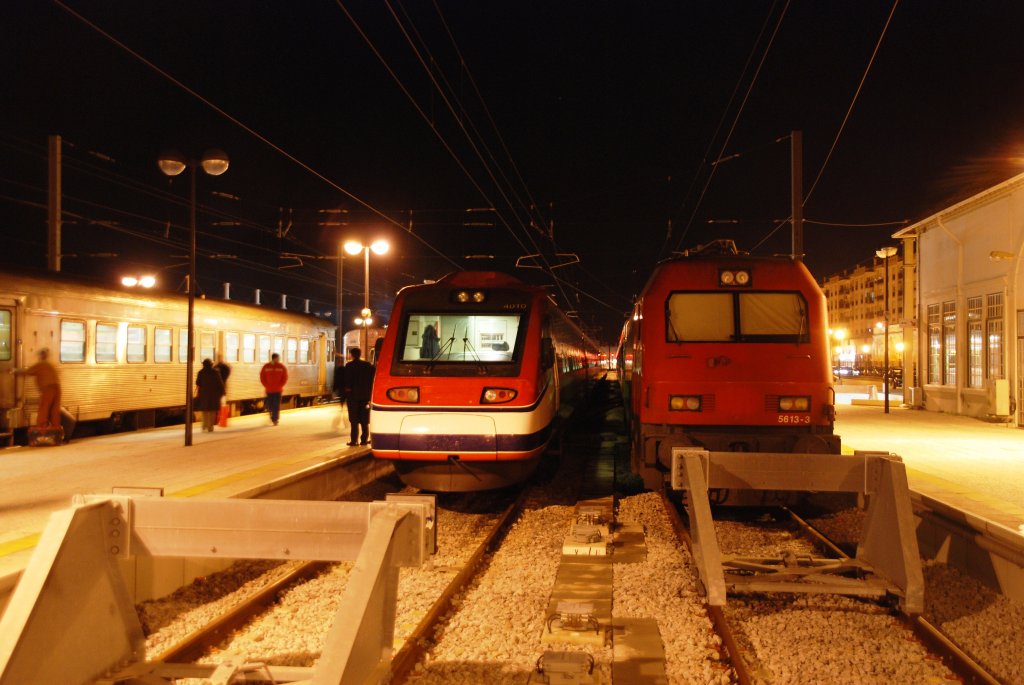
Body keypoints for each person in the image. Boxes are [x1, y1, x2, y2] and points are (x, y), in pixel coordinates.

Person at [11, 348, 61, 431]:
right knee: (54, 410)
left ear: (40, 356)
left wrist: (15, 370)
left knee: (44, 408)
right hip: (57, 388)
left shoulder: (40, 365)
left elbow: (27, 371)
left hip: (48, 389)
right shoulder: (50, 365)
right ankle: (56, 429)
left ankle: (42, 429)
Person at [340, 347, 374, 446]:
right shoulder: (368, 365)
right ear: (360, 354)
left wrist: (347, 391)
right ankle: (364, 440)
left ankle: (354, 440)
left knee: (354, 420)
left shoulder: (349, 366)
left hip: (353, 397)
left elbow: (347, 381)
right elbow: (372, 379)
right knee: (364, 420)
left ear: (352, 355)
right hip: (365, 397)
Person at [195, 358, 225, 433]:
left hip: (203, 394)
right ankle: (210, 427)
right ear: (211, 365)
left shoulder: (201, 372)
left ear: (203, 365)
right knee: (212, 411)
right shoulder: (215, 372)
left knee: (204, 411)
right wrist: (223, 392)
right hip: (214, 395)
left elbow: (197, 382)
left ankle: (204, 425)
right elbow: (220, 383)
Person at [260, 352, 288, 425]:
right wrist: (266, 385)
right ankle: (272, 416)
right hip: (269, 390)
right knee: (270, 405)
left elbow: (285, 377)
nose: (279, 360)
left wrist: (280, 385)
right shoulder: (266, 366)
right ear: (274, 358)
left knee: (276, 405)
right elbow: (262, 377)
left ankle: (275, 419)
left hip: (278, 390)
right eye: (278, 358)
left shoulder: (281, 367)